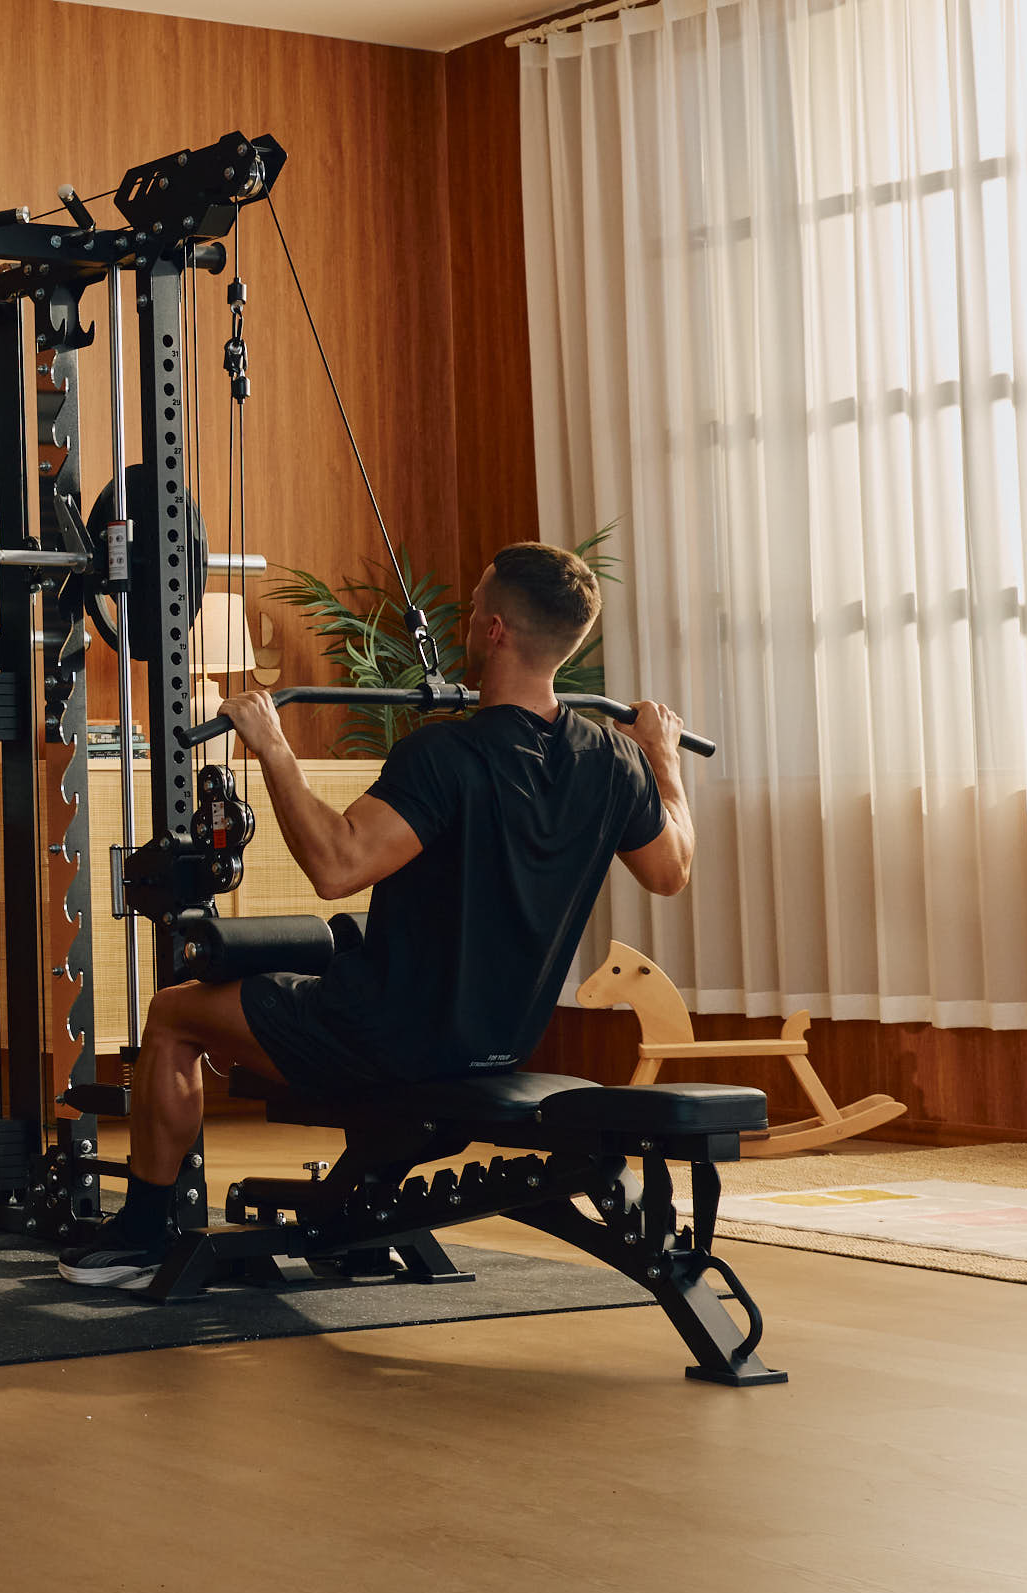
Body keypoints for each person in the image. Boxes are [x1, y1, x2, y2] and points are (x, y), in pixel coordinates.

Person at [57, 542, 697, 1287]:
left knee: (174, 1014)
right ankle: (340, 1209)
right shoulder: (613, 761)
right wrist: (664, 760)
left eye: (477, 601)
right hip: (498, 1039)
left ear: (491, 631)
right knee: (317, 956)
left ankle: (139, 1234)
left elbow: (336, 867)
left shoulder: (444, 755)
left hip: (385, 1037)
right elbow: (671, 870)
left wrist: (272, 747)